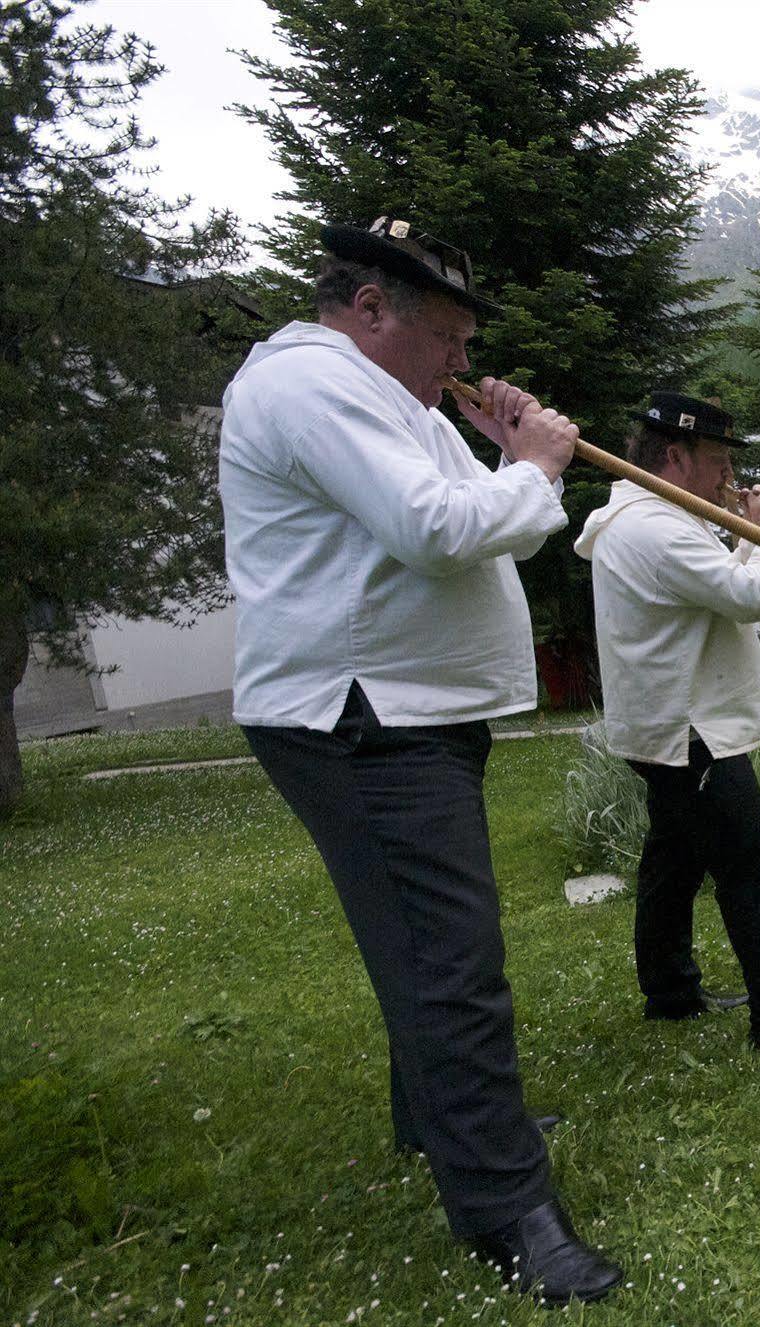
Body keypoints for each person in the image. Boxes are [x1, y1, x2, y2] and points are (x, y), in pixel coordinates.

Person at [220, 217, 621, 1304]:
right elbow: (436, 529)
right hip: (360, 716)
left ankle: (437, 1114)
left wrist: (505, 451)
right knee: (451, 958)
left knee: (427, 942)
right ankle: (504, 1205)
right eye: (443, 335)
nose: (459, 360)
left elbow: (472, 514)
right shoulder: (311, 386)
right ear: (366, 311)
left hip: (407, 709)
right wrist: (534, 465)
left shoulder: (391, 399)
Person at [574, 391, 760, 1056]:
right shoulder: (654, 526)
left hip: (672, 720)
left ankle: (670, 989)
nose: (727, 479)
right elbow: (751, 595)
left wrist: (748, 534)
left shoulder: (660, 513)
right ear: (673, 456)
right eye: (715, 462)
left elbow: (718, 583)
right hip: (689, 727)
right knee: (750, 860)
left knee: (673, 857)